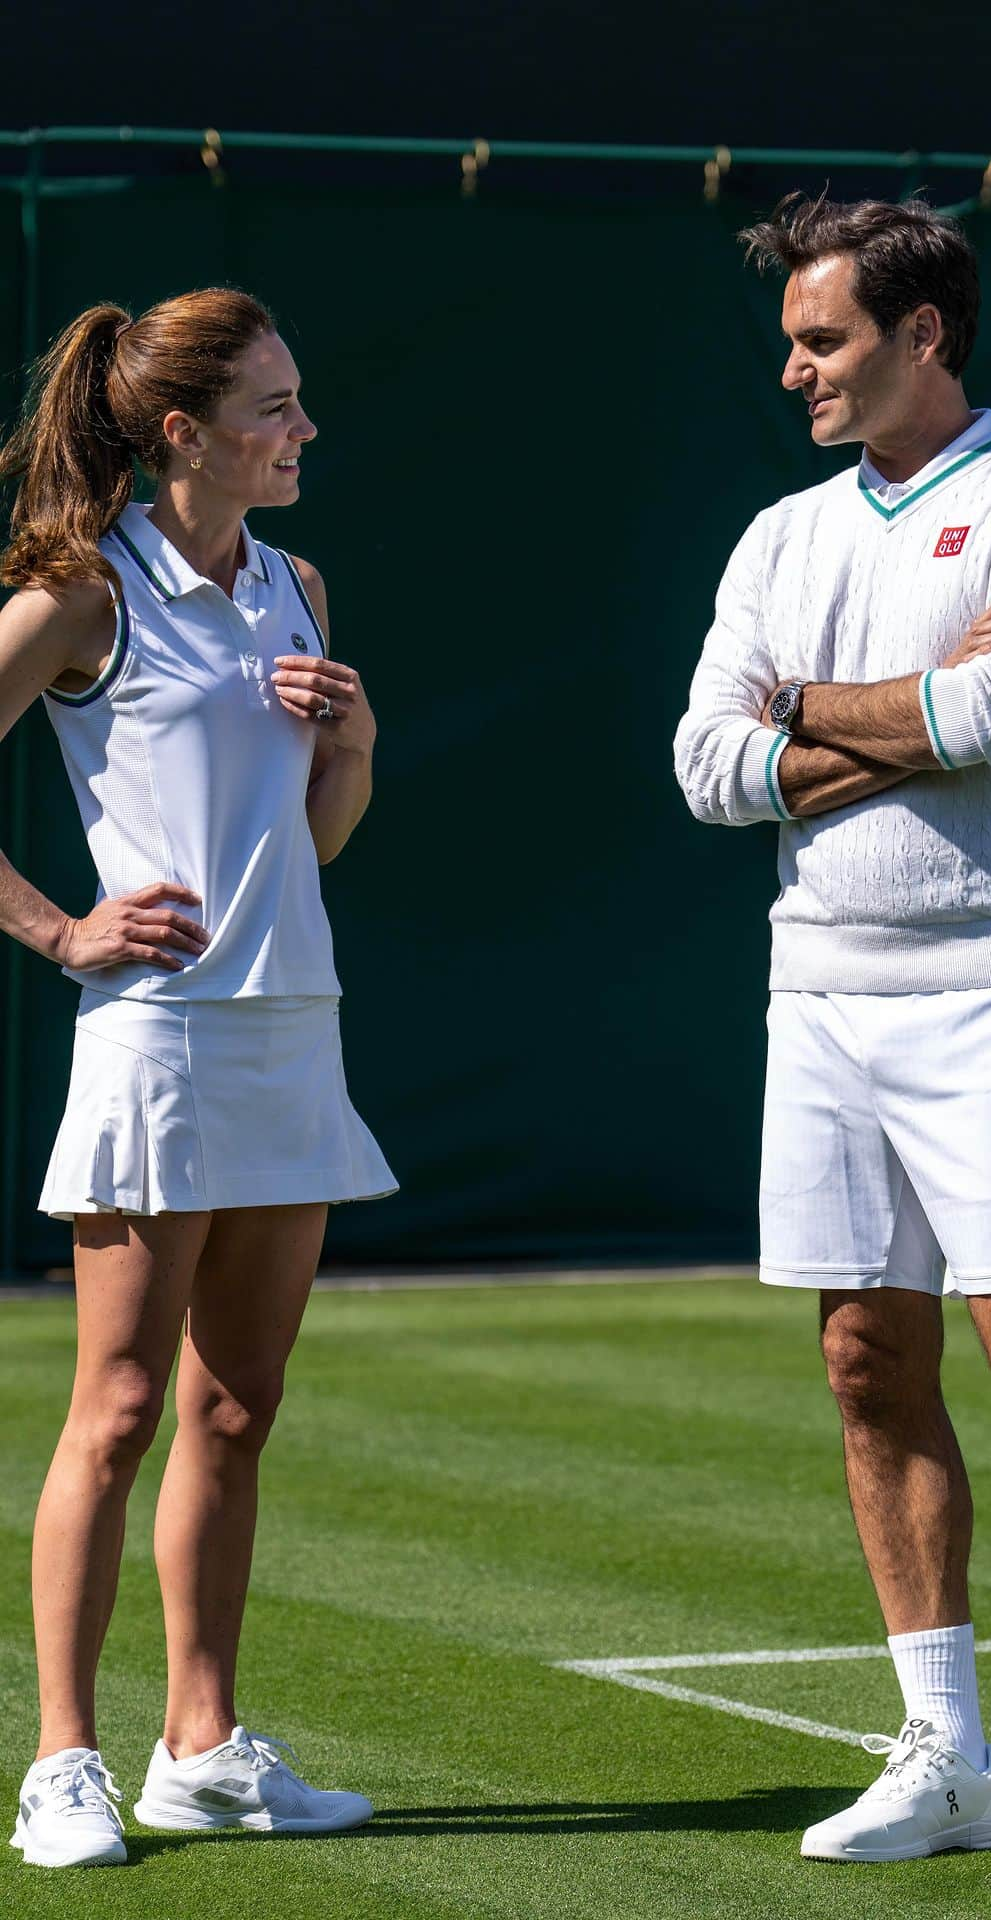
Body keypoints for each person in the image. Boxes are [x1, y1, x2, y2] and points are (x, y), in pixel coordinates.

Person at [674, 193, 991, 1864]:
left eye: (823, 340)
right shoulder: (779, 535)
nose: (796, 373)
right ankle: (949, 1757)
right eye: (790, 343)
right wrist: (897, 720)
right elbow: (706, 768)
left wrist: (800, 713)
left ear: (924, 336)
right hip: (820, 988)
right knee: (865, 1360)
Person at [0, 289, 397, 1868]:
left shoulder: (296, 585)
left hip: (295, 1026)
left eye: (298, 402)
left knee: (238, 1408)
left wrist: (353, 744)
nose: (303, 431)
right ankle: (63, 1762)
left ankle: (203, 1747)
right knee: (117, 1407)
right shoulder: (80, 597)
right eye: (276, 407)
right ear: (185, 433)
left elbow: (308, 845)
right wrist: (58, 928)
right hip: (157, 1042)